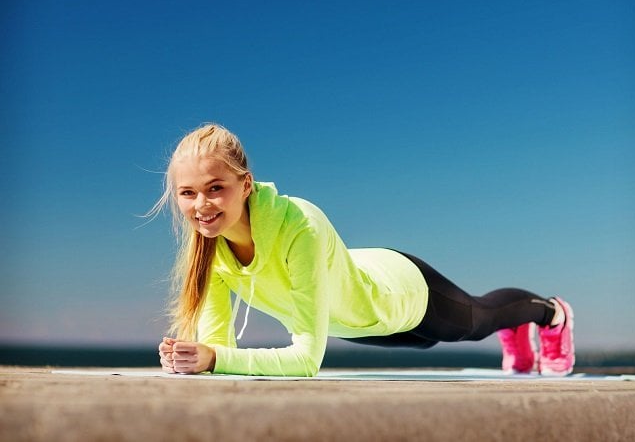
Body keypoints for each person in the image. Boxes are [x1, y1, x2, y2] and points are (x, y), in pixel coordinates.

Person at [153, 123, 575, 377]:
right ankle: (520, 328)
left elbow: (305, 361)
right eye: (187, 193)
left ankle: (550, 314)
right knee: (424, 344)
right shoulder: (208, 252)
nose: (201, 205)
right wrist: (195, 357)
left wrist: (213, 359)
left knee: (475, 321)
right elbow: (217, 347)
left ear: (245, 185)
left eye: (215, 188)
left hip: (399, 291)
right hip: (357, 321)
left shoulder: (300, 224)